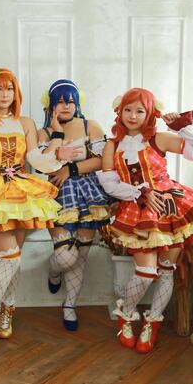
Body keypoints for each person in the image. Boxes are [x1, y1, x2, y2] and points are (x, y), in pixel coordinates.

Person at [0, 66, 76, 351]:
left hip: (20, 190)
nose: (5, 94)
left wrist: (57, 155)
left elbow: (34, 158)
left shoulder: (25, 122)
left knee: (13, 259)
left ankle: (7, 309)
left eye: (9, 88)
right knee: (10, 259)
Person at [99, 88, 193, 353]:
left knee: (165, 270)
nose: (133, 116)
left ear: (150, 113)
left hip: (170, 206)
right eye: (128, 110)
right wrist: (140, 193)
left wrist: (182, 127)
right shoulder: (112, 145)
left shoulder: (158, 138)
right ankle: (126, 315)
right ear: (119, 112)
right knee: (145, 273)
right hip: (137, 208)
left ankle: (152, 323)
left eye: (140, 111)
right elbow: (109, 183)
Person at [38, 79, 114, 331]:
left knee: (80, 256)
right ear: (51, 104)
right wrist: (57, 134)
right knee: (65, 257)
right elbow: (44, 165)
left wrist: (70, 169)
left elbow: (103, 160)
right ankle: (53, 270)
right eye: (60, 101)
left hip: (89, 193)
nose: (66, 106)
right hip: (57, 194)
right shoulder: (44, 133)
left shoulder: (90, 125)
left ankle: (69, 305)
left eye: (71, 101)